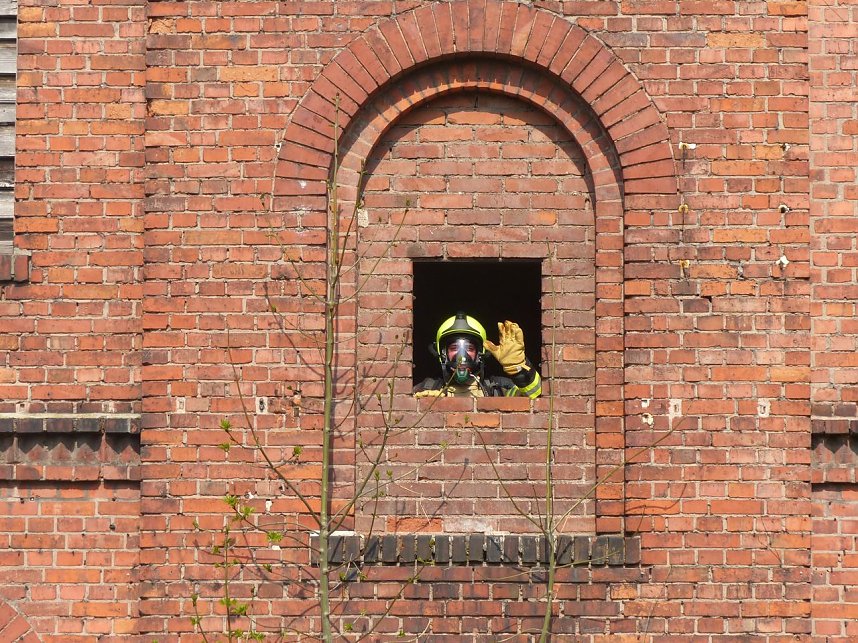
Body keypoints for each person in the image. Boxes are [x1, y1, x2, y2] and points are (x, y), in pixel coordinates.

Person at [413, 312, 542, 399]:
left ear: (480, 353)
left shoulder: (498, 389)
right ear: (442, 354)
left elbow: (537, 400)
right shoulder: (425, 389)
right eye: (454, 348)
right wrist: (426, 406)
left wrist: (519, 370)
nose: (462, 357)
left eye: (469, 348)